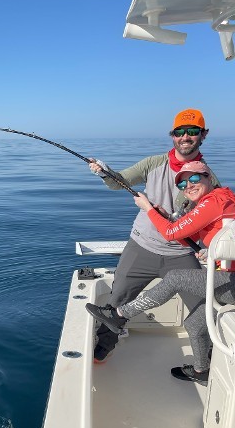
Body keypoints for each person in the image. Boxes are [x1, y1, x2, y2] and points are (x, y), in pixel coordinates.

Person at [88, 108, 221, 364]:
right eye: (180, 132)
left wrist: (207, 246)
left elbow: (211, 221)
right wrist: (105, 172)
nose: (185, 137)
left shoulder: (209, 178)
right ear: (172, 135)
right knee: (116, 301)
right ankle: (102, 350)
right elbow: (121, 181)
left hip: (181, 254)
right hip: (142, 247)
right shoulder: (153, 163)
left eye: (192, 132)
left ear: (203, 135)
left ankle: (208, 363)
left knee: (203, 308)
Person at [86, 161, 235, 384]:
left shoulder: (214, 201)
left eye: (195, 179)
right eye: (183, 183)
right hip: (226, 273)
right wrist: (211, 252)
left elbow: (171, 234)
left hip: (230, 282)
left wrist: (148, 208)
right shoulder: (221, 199)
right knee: (195, 323)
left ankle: (119, 316)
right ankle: (201, 370)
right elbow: (194, 238)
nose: (188, 185)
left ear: (209, 178)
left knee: (175, 278)